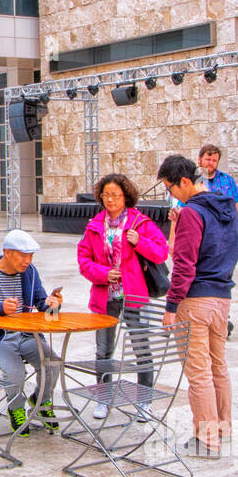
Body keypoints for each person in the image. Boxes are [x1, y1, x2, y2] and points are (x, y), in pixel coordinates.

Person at [158, 154, 238, 458]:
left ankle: (206, 439)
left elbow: (183, 266)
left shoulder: (192, 212)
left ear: (184, 182)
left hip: (195, 300)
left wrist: (170, 306)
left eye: (171, 188)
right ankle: (223, 428)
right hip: (222, 298)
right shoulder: (225, 207)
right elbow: (231, 251)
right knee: (218, 365)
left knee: (198, 373)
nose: (171, 195)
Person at [77, 173, 168, 421]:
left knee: (141, 349)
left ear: (125, 195)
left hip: (134, 295)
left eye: (115, 194)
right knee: (103, 350)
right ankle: (103, 398)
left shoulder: (141, 223)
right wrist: (104, 274)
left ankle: (145, 402)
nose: (110, 200)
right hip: (105, 297)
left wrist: (140, 242)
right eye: (105, 195)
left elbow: (161, 252)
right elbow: (83, 261)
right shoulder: (94, 224)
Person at [0, 229, 64, 434]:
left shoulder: (29, 272)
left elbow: (42, 306)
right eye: (23, 255)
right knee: (15, 370)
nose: (28, 260)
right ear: (7, 252)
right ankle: (16, 407)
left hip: (27, 336)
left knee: (53, 362)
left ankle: (40, 402)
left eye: (31, 256)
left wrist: (53, 305)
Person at [198, 144, 238, 244]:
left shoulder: (227, 179)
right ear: (200, 159)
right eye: (208, 159)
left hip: (227, 235)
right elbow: (182, 209)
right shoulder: (193, 181)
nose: (210, 163)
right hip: (203, 236)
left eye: (214, 161)